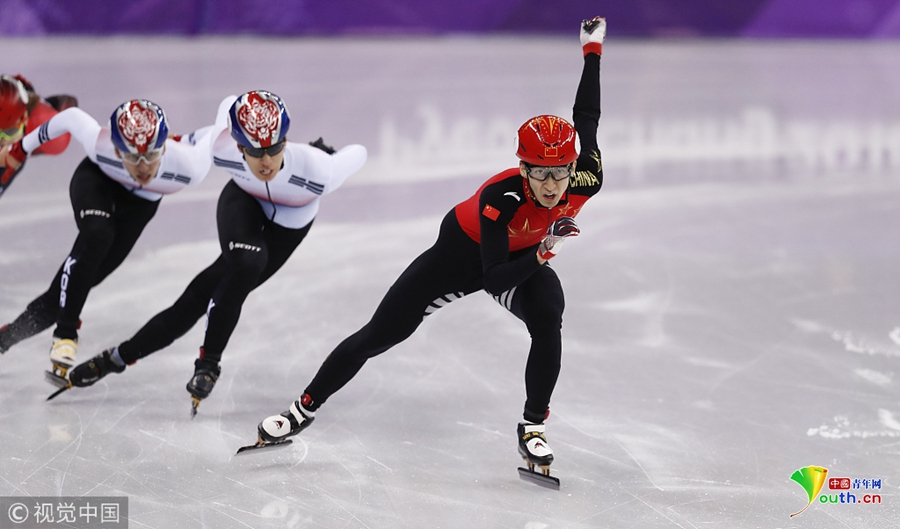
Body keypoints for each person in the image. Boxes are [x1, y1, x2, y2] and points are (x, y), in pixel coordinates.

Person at [250, 17, 606, 481]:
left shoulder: (586, 176)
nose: (552, 185)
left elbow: (588, 117)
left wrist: (592, 49)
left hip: (521, 257)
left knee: (548, 313)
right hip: (463, 254)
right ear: (522, 169)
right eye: (539, 173)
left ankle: (533, 427)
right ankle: (301, 410)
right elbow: (494, 277)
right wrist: (545, 249)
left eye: (560, 173)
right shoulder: (500, 198)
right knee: (380, 334)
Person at [66, 91, 367, 416]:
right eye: (253, 150)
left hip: (290, 226)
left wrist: (328, 155)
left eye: (274, 148)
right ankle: (208, 364)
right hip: (244, 202)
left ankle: (117, 358)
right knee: (246, 263)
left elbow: (358, 152)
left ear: (285, 140)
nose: (265, 161)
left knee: (203, 297)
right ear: (238, 146)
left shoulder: (319, 171)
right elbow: (227, 105)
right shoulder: (221, 146)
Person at [0, 99, 217, 385]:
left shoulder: (190, 166)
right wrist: (18, 149)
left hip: (139, 206)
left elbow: (219, 130)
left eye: (151, 154)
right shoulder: (99, 143)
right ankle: (66, 334)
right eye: (131, 156)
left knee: (70, 289)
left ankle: (5, 338)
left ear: (164, 146)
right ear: (116, 149)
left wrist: (188, 140)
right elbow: (69, 117)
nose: (142, 167)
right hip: (97, 181)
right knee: (97, 234)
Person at [0, 74, 78, 198]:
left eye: (10, 132)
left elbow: (69, 105)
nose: (2, 142)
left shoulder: (51, 133)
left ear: (25, 118)